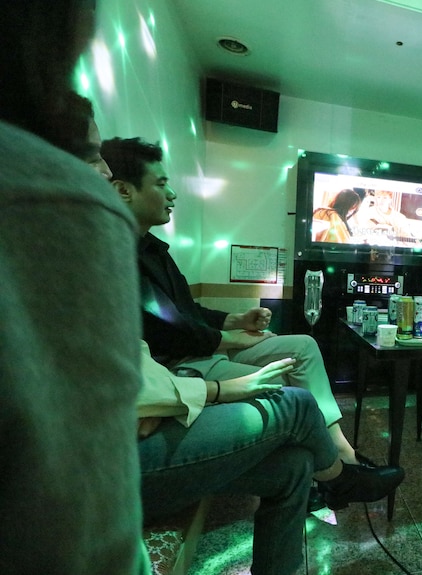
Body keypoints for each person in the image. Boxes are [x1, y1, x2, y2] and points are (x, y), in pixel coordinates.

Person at [100, 137, 366, 466]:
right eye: (162, 183)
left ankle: (339, 448)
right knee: (286, 385)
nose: (173, 194)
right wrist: (228, 339)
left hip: (202, 349)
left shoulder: (154, 249)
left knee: (305, 346)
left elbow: (187, 312)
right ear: (124, 190)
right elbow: (168, 330)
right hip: (183, 363)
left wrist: (236, 320)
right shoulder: (113, 251)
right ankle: (332, 467)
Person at [0, 1, 146, 574]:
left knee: (291, 452)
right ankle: (337, 468)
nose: (106, 176)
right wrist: (220, 387)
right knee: (292, 411)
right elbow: (84, 539)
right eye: (95, 158)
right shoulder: (64, 202)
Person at [136, 341, 405, 575]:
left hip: (144, 418)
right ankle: (341, 477)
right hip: (114, 465)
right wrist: (218, 389)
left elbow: (132, 370)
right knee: (298, 404)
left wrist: (159, 395)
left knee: (295, 464)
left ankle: (338, 476)